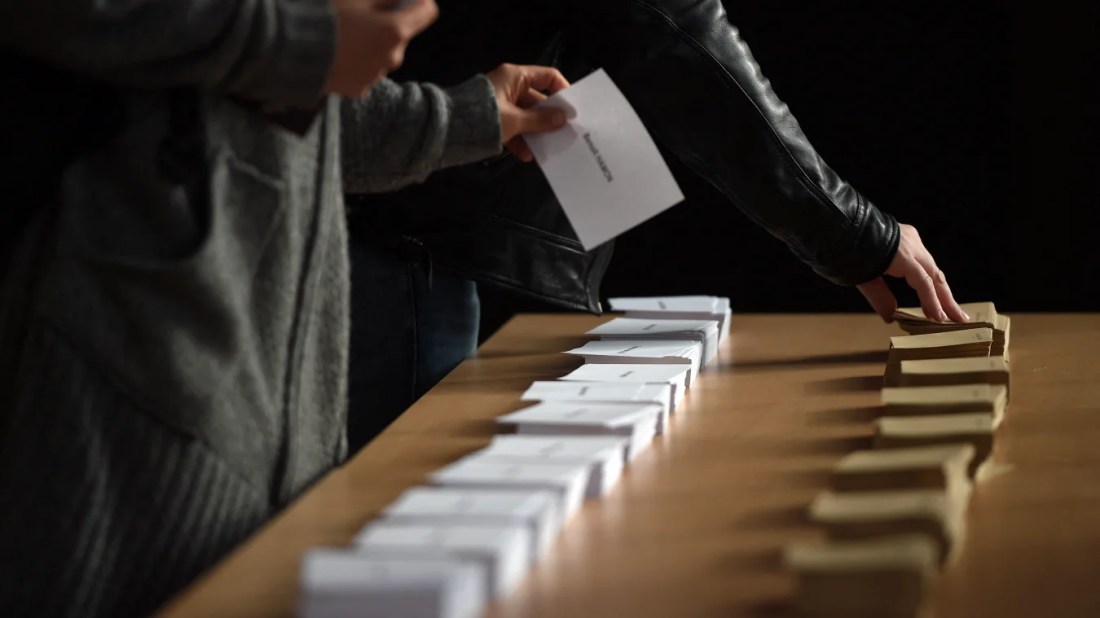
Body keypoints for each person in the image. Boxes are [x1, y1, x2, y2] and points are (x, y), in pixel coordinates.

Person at [0, 1, 569, 615]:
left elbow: (310, 121)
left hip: (263, 395)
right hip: (128, 359)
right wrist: (307, 38)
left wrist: (464, 115)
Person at [343, 0, 970, 451]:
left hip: (402, 207)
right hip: (403, 221)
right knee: (382, 496)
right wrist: (855, 230)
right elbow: (682, 41)